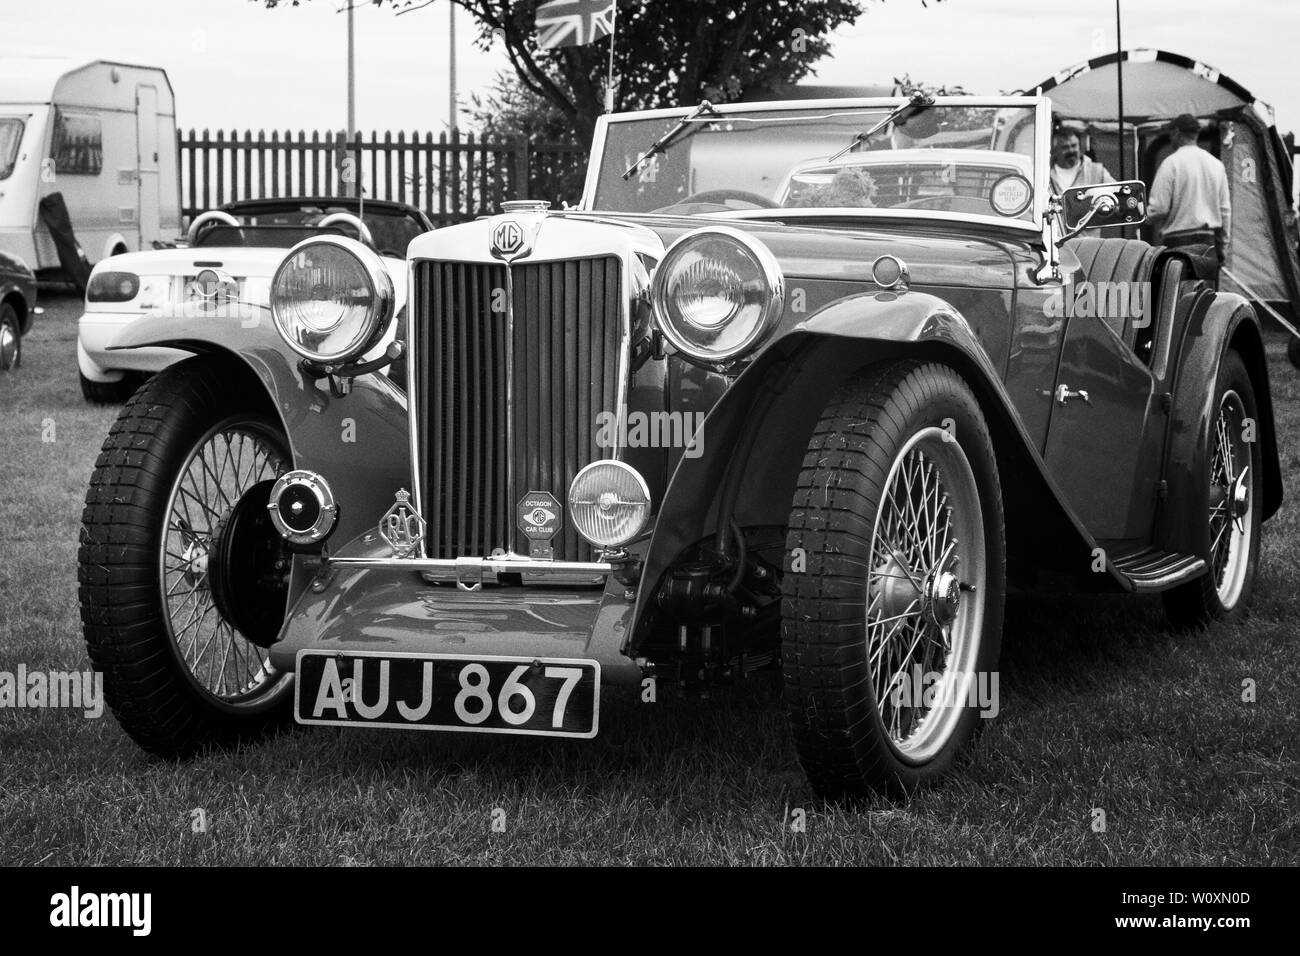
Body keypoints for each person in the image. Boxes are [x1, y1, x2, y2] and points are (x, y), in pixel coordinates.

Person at [1147, 114, 1231, 272]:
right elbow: (1225, 211)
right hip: (1208, 242)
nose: (1170, 138)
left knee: (1177, 294)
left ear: (1176, 133)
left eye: (1170, 133)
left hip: (1178, 243)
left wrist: (1142, 217)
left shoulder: (1170, 164)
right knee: (1204, 295)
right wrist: (1222, 248)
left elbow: (1159, 208)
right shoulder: (1216, 165)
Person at [1050, 125, 1113, 195]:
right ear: (1055, 150)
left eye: (1074, 145)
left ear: (1079, 146)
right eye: (1065, 147)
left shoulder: (1097, 172)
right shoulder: (1046, 174)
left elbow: (1117, 192)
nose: (1071, 150)